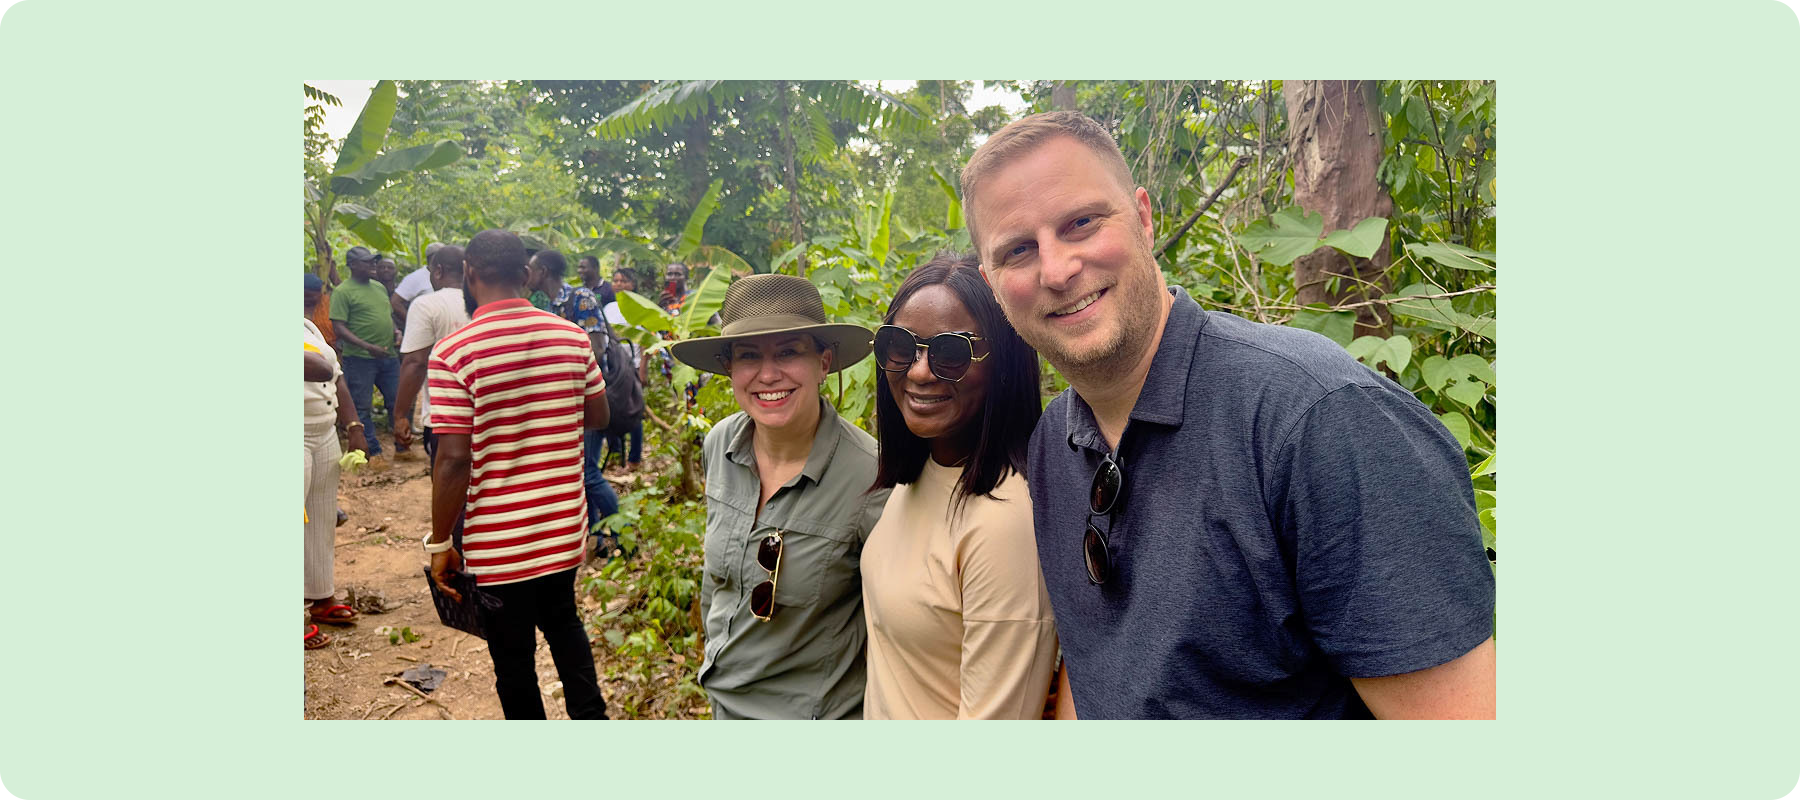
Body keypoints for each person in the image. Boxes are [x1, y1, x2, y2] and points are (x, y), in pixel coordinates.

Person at [961, 111, 1496, 719]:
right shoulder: (1053, 444)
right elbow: (1099, 675)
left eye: (1081, 223)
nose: (1056, 270)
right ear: (992, 281)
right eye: (1018, 250)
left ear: (1142, 217)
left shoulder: (1318, 419)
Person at [670, 273, 888, 720]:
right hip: (722, 703)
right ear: (730, 366)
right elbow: (719, 587)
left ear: (823, 362)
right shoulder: (721, 446)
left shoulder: (871, 476)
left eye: (788, 352)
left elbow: (897, 628)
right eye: (749, 356)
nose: (768, 374)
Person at [861, 252, 1058, 719]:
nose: (919, 371)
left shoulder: (1004, 521)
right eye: (900, 346)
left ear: (1005, 363)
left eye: (951, 352)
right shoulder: (927, 472)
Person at [424, 230, 610, 720]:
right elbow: (599, 416)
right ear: (526, 276)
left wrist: (441, 541)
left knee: (513, 660)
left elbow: (453, 460)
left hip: (497, 546)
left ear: (468, 274)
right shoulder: (570, 337)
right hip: (562, 530)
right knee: (566, 628)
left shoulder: (453, 354)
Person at [526, 249, 621, 541]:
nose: (525, 274)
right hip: (564, 401)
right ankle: (596, 538)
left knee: (588, 471)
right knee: (580, 472)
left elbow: (597, 347)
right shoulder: (550, 306)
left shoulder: (580, 298)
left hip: (586, 397)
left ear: (542, 271)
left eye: (530, 268)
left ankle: (624, 535)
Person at [304, 307, 367, 648]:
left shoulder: (307, 327)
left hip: (323, 431)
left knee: (321, 517)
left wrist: (353, 426)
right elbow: (317, 367)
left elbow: (336, 375)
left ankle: (320, 596)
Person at [392, 245, 468, 466]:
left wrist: (399, 415)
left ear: (438, 271)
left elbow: (415, 363)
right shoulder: (486, 302)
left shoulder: (427, 305)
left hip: (444, 417)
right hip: (487, 417)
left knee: (448, 489)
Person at [330, 245, 402, 460]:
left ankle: (402, 445)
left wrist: (396, 331)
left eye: (373, 261)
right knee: (361, 406)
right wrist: (367, 346)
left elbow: (387, 316)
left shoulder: (379, 287)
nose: (373, 265)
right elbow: (339, 327)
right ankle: (373, 451)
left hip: (388, 356)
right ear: (352, 265)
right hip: (360, 359)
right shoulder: (343, 292)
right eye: (367, 261)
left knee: (397, 401)